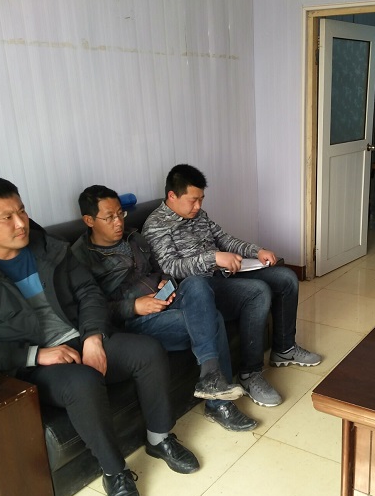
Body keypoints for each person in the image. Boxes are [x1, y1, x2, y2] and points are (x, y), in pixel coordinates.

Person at [0, 176, 200, 496]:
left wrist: (93, 338)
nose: (21, 223)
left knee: (147, 351)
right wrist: (36, 355)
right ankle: (115, 473)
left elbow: (89, 292)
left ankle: (159, 439)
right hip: (31, 362)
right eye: (7, 218)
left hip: (79, 337)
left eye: (22, 211)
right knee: (82, 382)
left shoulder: (48, 247)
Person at [72, 185, 256, 432]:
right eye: (109, 217)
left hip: (164, 299)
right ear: (89, 220)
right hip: (133, 321)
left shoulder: (133, 237)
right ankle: (218, 403)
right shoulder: (80, 258)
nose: (118, 222)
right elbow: (89, 308)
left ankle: (211, 377)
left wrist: (165, 282)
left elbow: (161, 268)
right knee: (212, 318)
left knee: (196, 283)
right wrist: (133, 306)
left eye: (120, 214)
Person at [142, 164, 322, 408]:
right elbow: (171, 267)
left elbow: (224, 239)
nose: (198, 206)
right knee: (258, 292)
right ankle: (250, 374)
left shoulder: (199, 216)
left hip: (222, 276)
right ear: (172, 196)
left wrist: (256, 251)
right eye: (193, 200)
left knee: (286, 278)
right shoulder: (156, 225)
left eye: (201, 199)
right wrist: (213, 258)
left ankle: (284, 348)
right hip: (198, 291)